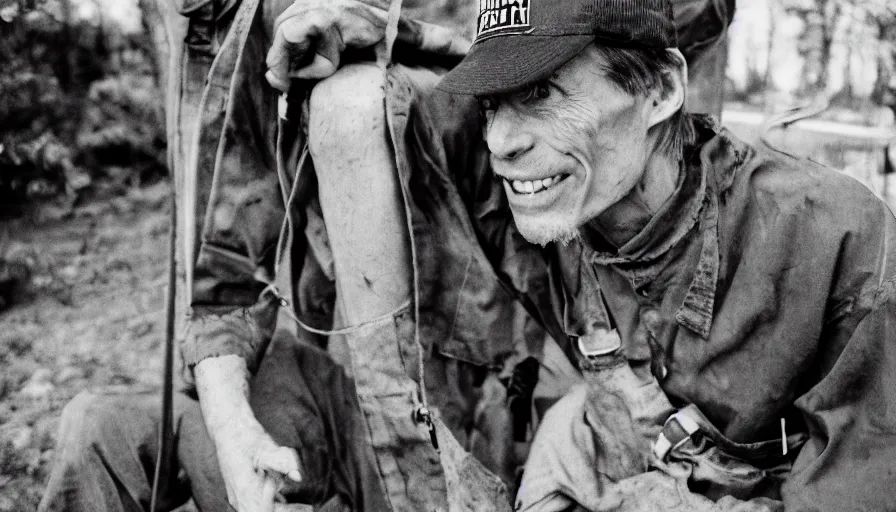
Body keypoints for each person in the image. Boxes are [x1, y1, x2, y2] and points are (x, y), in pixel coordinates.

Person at [39, 0, 740, 511]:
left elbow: (651, 27)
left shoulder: (496, 116)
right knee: (98, 427)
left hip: (496, 417)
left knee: (352, 105)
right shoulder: (241, 38)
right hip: (351, 407)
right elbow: (221, 274)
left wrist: (402, 36)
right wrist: (235, 435)